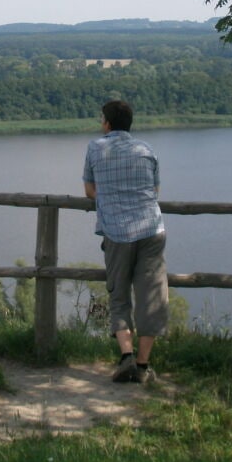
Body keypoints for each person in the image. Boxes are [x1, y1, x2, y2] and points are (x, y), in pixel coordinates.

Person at [82, 99, 168, 383]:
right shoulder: (147, 149)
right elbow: (153, 191)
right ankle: (143, 366)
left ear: (107, 124)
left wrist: (110, 195)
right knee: (151, 296)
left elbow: (89, 191)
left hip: (117, 232)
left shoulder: (96, 148)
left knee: (119, 293)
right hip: (151, 230)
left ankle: (126, 357)